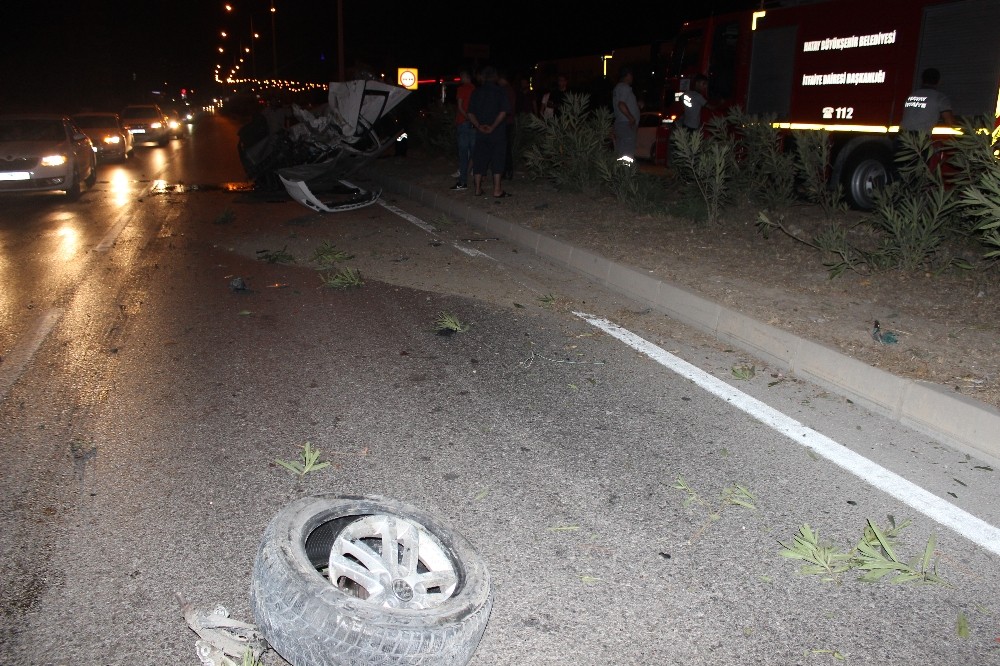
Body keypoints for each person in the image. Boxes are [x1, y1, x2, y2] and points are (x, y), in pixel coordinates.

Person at [467, 65, 512, 198]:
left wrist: (479, 126)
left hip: (481, 132)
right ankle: (497, 190)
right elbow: (504, 111)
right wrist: (493, 126)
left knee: (479, 158)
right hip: (497, 132)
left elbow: (470, 113)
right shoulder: (500, 91)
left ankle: (477, 189)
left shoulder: (476, 92)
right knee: (497, 159)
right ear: (495, 76)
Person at [899, 67, 956, 133]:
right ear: (939, 81)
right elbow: (950, 121)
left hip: (902, 135)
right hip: (919, 136)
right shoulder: (940, 97)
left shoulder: (912, 95)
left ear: (922, 80)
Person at [451, 70, 476, 190]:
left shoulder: (462, 89)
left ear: (464, 77)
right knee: (473, 152)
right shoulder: (475, 89)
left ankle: (462, 181)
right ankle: (475, 179)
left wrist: (467, 118)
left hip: (464, 122)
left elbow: (460, 107)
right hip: (473, 124)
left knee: (463, 153)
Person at [612, 66, 640, 159]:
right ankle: (625, 172)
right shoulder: (624, 87)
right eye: (631, 75)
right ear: (628, 75)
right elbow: (621, 104)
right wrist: (631, 118)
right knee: (626, 154)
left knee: (621, 152)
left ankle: (620, 172)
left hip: (621, 124)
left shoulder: (618, 88)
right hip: (626, 124)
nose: (632, 78)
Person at [499, 70, 517, 180]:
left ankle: (507, 171)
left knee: (505, 148)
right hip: (508, 121)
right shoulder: (510, 90)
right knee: (506, 147)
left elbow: (506, 108)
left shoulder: (506, 90)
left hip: (506, 122)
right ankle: (507, 171)